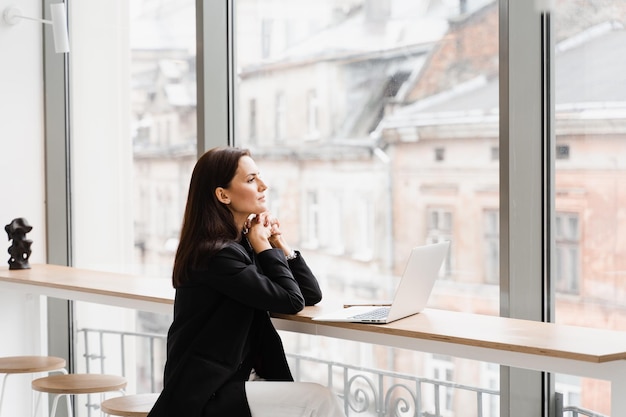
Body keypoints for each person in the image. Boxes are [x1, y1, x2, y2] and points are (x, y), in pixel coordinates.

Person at [148, 147, 346, 417]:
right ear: (223, 195)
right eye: (251, 180)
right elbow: (291, 301)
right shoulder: (217, 254)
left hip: (242, 378)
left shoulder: (238, 245)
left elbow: (310, 294)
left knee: (317, 400)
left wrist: (279, 243)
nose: (264, 185)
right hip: (208, 393)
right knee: (319, 400)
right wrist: (263, 245)